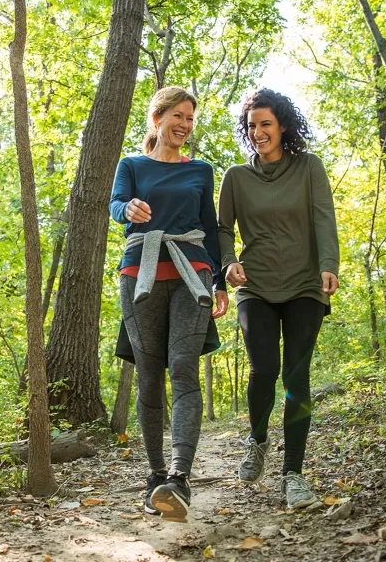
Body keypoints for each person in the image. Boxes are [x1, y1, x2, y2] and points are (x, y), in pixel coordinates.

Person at [109, 87, 228, 523]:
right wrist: (129, 210)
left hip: (191, 274)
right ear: (157, 119)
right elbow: (115, 205)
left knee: (183, 368)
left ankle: (179, 477)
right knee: (148, 377)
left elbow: (209, 229)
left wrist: (218, 279)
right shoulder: (132, 165)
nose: (185, 124)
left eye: (191, 118)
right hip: (138, 275)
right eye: (178, 115)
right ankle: (155, 476)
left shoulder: (200, 170)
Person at [217, 88, 340, 509]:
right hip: (255, 285)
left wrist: (329, 264)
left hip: (306, 284)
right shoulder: (235, 177)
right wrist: (228, 262)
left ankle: (294, 475)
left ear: (283, 125)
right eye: (252, 126)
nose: (258, 133)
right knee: (264, 368)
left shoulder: (309, 167)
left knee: (296, 376)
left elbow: (324, 216)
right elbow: (222, 229)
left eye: (265, 124)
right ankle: (257, 438)